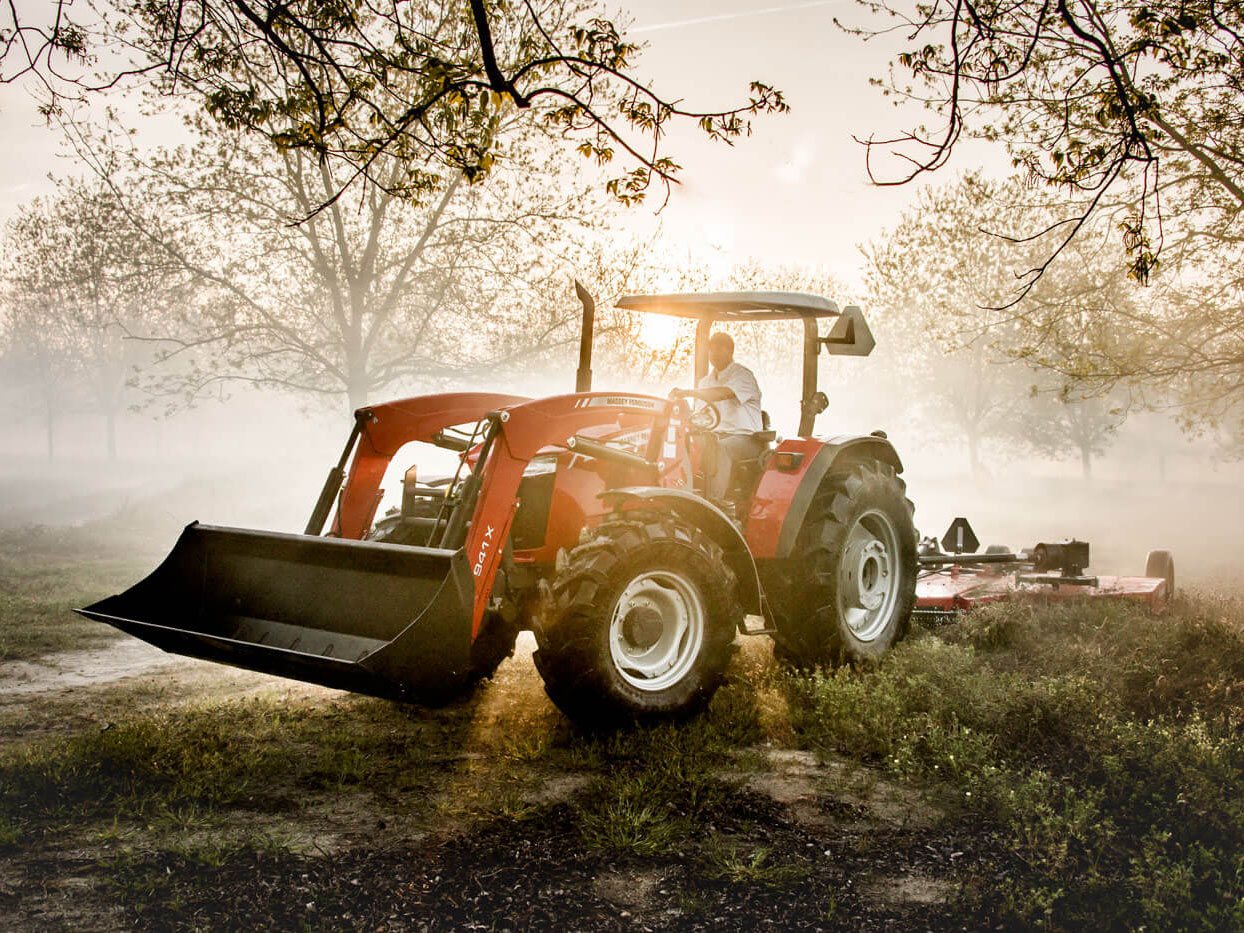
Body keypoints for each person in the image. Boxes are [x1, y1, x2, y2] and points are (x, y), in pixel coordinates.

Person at [669, 331, 766, 501]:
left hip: (746, 438)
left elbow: (723, 393)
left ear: (729, 351)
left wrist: (688, 392)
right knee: (681, 443)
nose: (713, 354)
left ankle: (713, 503)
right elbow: (702, 414)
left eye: (718, 349)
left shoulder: (742, 376)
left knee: (721, 448)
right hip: (714, 435)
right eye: (711, 349)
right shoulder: (705, 382)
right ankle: (678, 494)